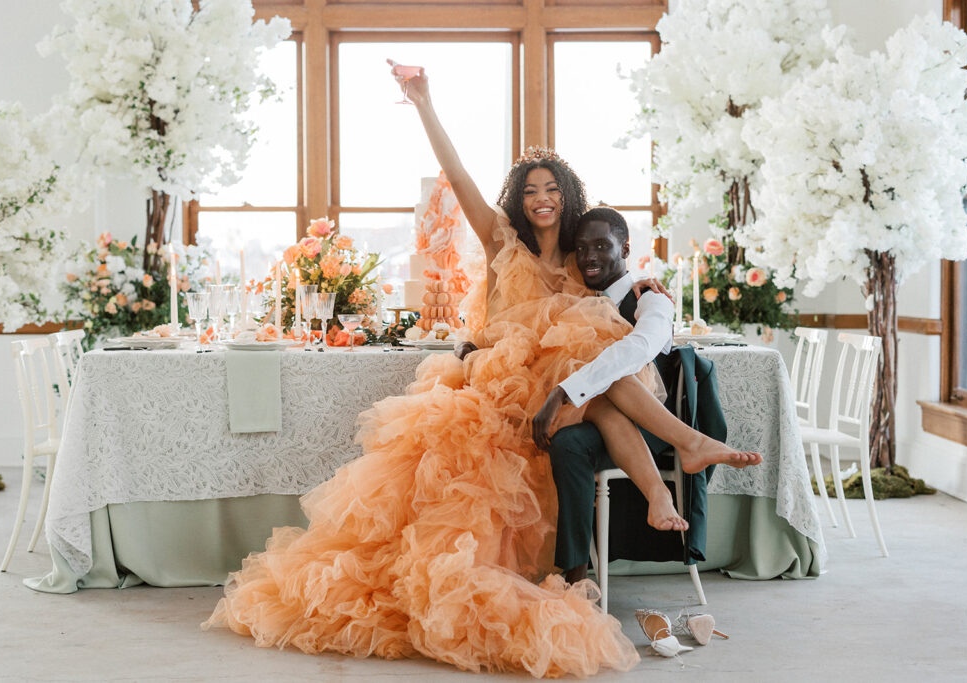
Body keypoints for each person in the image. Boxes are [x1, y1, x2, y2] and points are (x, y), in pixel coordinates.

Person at [202, 66, 748, 678]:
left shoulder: (581, 257)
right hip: (504, 383)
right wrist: (424, 103)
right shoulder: (500, 240)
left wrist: (649, 282)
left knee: (596, 381)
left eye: (553, 189)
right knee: (561, 406)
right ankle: (679, 459)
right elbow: (457, 174)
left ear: (567, 194)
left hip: (562, 383)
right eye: (532, 190)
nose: (543, 199)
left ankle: (663, 482)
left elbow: (617, 273)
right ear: (519, 199)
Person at [530, 207, 761, 583]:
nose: (589, 256)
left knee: (616, 377)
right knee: (568, 442)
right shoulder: (573, 299)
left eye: (602, 245)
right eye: (582, 247)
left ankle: (687, 444)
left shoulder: (653, 298)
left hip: (651, 425)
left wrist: (562, 392)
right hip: (596, 415)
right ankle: (575, 577)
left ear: (625, 249)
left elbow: (639, 349)